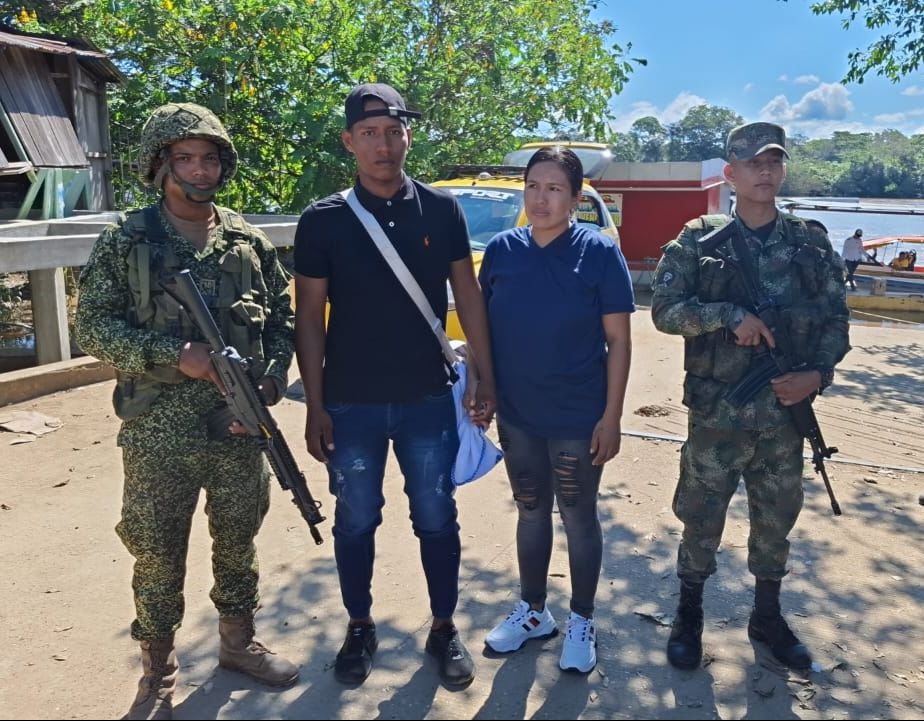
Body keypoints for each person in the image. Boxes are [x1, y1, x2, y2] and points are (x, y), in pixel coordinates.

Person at [75, 103, 299, 719]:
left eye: (209, 157)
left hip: (237, 423)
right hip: (158, 430)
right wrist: (175, 354)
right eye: (184, 158)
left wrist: (271, 383)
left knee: (238, 540)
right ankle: (158, 674)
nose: (199, 170)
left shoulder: (246, 240)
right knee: (156, 551)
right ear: (159, 164)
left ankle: (237, 645)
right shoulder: (128, 240)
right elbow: (91, 325)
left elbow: (283, 322)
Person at [293, 83, 497, 687]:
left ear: (408, 135)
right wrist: (315, 404)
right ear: (349, 141)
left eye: (394, 131)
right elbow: (309, 319)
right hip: (350, 402)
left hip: (428, 399)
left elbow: (469, 297)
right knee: (355, 521)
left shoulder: (442, 210)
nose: (384, 145)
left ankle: (442, 628)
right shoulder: (323, 220)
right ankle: (360, 625)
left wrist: (482, 374)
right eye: (370, 133)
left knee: (436, 517)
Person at [651, 122, 850, 672]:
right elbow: (664, 312)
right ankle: (689, 614)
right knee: (700, 517)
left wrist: (816, 376)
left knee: (775, 520)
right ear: (729, 172)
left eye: (774, 162)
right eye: (753, 162)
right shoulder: (697, 239)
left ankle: (766, 617)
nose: (766, 171)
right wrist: (727, 316)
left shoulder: (810, 242)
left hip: (785, 420)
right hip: (718, 416)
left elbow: (837, 322)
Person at [479, 147, 634, 673]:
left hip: (577, 413)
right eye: (532, 186)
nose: (540, 199)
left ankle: (582, 619)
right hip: (519, 411)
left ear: (575, 197)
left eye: (554, 189)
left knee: (576, 512)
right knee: (529, 508)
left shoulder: (597, 252)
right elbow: (485, 333)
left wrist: (611, 417)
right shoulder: (501, 251)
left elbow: (619, 340)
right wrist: (481, 385)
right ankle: (532, 611)